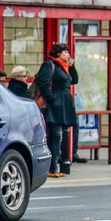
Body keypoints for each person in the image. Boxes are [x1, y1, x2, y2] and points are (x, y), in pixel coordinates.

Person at [37, 43, 79, 178]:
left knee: (60, 137)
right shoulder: (50, 65)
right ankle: (52, 168)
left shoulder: (64, 67)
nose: (68, 54)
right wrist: (52, 98)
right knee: (55, 136)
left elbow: (75, 81)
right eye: (65, 52)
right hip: (56, 104)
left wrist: (72, 66)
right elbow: (44, 84)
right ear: (58, 53)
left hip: (65, 104)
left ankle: (56, 167)